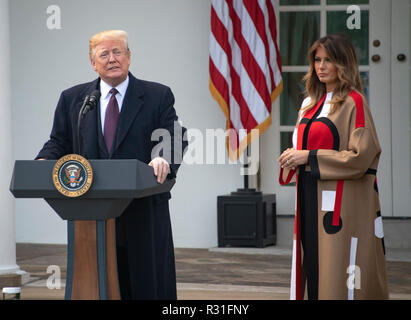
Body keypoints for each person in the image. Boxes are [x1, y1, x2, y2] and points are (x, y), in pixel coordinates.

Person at [36, 30, 187, 299]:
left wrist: (162, 156)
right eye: (103, 54)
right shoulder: (74, 99)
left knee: (145, 287)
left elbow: (172, 135)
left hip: (143, 211)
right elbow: (58, 141)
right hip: (91, 212)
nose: (112, 59)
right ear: (93, 63)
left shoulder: (157, 95)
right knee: (99, 284)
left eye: (118, 52)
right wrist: (43, 162)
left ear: (129, 57)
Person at [278, 34, 388, 300]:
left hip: (343, 205)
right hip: (307, 195)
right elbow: (302, 147)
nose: (321, 66)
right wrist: (291, 157)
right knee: (313, 263)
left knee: (339, 270)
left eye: (329, 60)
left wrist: (310, 157)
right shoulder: (308, 104)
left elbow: (362, 156)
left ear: (344, 63)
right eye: (317, 60)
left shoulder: (354, 102)